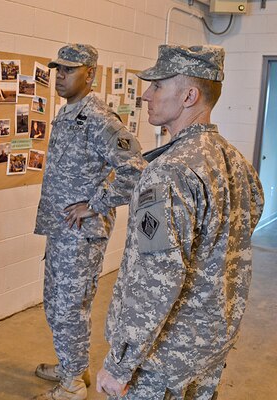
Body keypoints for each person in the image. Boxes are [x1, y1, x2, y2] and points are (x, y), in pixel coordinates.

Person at [96, 45, 265, 399]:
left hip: (162, 361)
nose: (145, 95)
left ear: (189, 95)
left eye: (157, 86)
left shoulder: (168, 172)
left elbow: (155, 279)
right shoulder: (236, 163)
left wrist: (119, 366)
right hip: (208, 348)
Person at [33, 44, 147, 400]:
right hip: (62, 229)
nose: (60, 76)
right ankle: (73, 366)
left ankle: (72, 386)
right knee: (55, 301)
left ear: (91, 74)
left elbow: (135, 168)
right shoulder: (69, 114)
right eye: (58, 70)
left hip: (82, 234)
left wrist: (95, 203)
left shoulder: (99, 118)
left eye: (69, 70)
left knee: (70, 306)